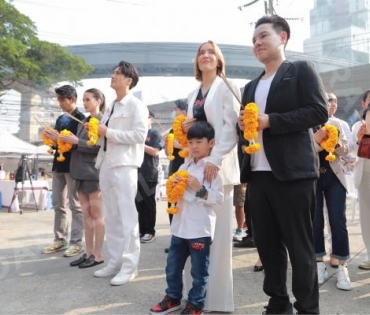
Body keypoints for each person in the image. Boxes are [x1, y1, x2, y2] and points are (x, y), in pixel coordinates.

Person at [238, 15, 328, 314]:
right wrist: (245, 125)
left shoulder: (299, 70)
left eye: (263, 36)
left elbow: (318, 111)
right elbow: (249, 129)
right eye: (253, 40)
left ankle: (307, 308)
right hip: (258, 175)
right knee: (267, 246)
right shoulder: (250, 86)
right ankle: (277, 302)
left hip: (293, 176)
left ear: (283, 37)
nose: (257, 43)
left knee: (299, 246)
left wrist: (270, 121)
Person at [182, 40, 240, 312]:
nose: (205, 56)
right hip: (194, 170)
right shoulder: (194, 92)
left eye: (211, 53)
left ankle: (216, 300)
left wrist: (215, 160)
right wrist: (188, 126)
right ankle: (194, 294)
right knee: (196, 233)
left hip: (217, 170)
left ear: (219, 61)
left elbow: (230, 129)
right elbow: (201, 129)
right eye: (201, 53)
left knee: (218, 237)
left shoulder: (226, 86)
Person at [149, 121, 223, 315]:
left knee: (199, 272)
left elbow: (218, 199)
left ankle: (195, 304)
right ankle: (172, 298)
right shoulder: (185, 164)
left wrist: (199, 188)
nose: (194, 146)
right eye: (191, 142)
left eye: (199, 141)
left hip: (200, 229)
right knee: (172, 267)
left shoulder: (212, 169)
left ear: (212, 143)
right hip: (180, 227)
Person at [93, 60, 149, 286]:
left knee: (127, 217)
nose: (113, 75)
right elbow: (103, 137)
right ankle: (114, 261)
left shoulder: (137, 106)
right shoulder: (110, 107)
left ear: (129, 80)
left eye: (118, 73)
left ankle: (129, 266)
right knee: (112, 216)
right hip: (106, 163)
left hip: (125, 165)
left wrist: (109, 131)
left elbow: (139, 136)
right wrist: (97, 132)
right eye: (114, 72)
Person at [59, 88, 106, 268]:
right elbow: (77, 144)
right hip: (79, 171)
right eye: (84, 99)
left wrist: (77, 142)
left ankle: (98, 254)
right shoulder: (82, 122)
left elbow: (100, 146)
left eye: (88, 99)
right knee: (86, 215)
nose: (84, 103)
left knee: (97, 215)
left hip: (93, 172)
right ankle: (88, 252)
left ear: (98, 101)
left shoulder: (102, 120)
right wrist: (65, 139)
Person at [41, 85, 85, 257]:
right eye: (58, 99)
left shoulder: (82, 119)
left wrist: (58, 138)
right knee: (58, 204)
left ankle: (76, 242)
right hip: (58, 165)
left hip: (74, 167)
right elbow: (58, 142)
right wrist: (51, 139)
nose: (59, 103)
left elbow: (81, 143)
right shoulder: (61, 118)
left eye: (61, 99)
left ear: (72, 99)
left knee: (75, 205)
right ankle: (59, 239)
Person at [312, 102, 351, 290]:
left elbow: (346, 148)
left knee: (338, 221)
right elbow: (300, 150)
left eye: (329, 101)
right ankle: (319, 263)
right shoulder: (305, 121)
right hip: (312, 178)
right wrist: (317, 142)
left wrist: (333, 142)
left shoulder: (337, 123)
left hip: (335, 176)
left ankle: (342, 267)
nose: (326, 104)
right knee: (315, 222)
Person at [163, 99, 188, 253]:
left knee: (184, 207)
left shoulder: (189, 127)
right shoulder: (173, 129)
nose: (175, 112)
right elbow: (168, 153)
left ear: (184, 112)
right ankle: (175, 239)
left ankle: (185, 241)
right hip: (173, 172)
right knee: (172, 205)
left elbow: (191, 147)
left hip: (184, 173)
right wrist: (168, 145)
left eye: (176, 109)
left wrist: (179, 145)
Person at [136, 110, 163, 244]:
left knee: (148, 203)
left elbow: (155, 152)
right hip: (136, 172)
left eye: (145, 117)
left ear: (151, 119)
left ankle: (149, 231)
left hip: (149, 173)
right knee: (138, 203)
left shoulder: (154, 134)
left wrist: (139, 144)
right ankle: (141, 230)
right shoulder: (137, 132)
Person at [352, 90, 370, 270]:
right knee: (366, 216)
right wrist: (360, 139)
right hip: (363, 173)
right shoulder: (357, 126)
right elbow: (350, 149)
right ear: (364, 104)